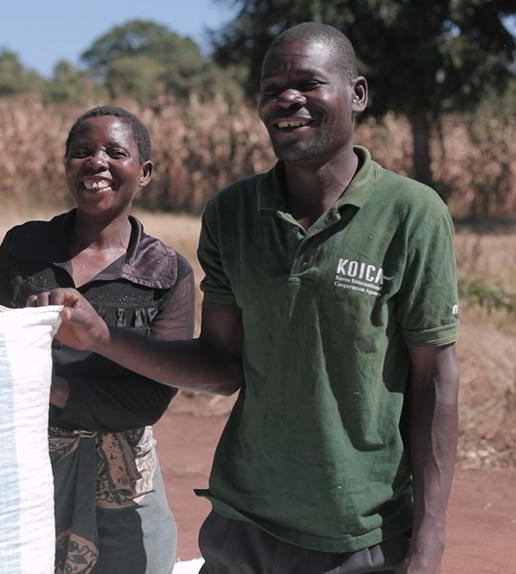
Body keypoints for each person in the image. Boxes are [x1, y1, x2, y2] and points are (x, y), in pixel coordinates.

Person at [29, 23, 460, 574]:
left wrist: (428, 544)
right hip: (243, 522)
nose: (286, 99)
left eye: (307, 83)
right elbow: (220, 366)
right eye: (271, 87)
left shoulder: (411, 214)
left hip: (357, 530)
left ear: (357, 94)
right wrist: (101, 337)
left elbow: (435, 379)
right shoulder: (232, 213)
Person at [0, 105, 196, 574]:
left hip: (125, 481)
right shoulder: (24, 248)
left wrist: (52, 391)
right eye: (82, 152)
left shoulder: (167, 272)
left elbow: (150, 398)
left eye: (114, 152)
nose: (96, 162)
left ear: (144, 172)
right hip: (27, 470)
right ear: (66, 166)